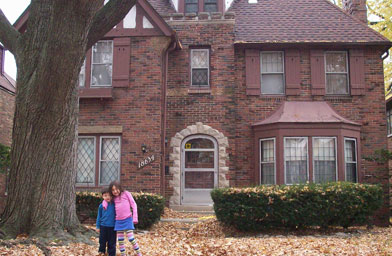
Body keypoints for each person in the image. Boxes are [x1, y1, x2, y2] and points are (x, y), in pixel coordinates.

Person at [103, 181, 142, 256]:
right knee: (120, 240)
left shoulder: (126, 193)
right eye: (113, 190)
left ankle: (139, 253)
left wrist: (135, 217)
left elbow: (133, 204)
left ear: (120, 188)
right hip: (118, 221)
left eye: (116, 189)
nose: (115, 191)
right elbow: (105, 200)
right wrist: (104, 205)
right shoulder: (113, 197)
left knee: (131, 238)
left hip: (127, 219)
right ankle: (123, 254)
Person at [96, 188, 116, 256]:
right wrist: (98, 226)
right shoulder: (101, 206)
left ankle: (111, 253)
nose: (107, 197)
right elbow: (99, 216)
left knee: (112, 242)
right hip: (103, 226)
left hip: (112, 227)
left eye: (109, 195)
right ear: (102, 196)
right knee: (102, 241)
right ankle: (101, 252)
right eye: (105, 195)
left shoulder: (114, 205)